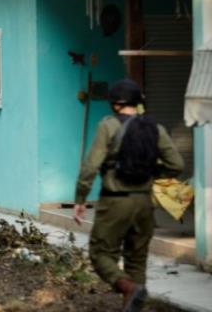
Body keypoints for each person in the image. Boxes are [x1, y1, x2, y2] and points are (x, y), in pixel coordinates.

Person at [73, 79, 183, 312]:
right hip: (144, 203)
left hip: (115, 201)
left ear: (115, 105)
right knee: (137, 259)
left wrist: (81, 199)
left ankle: (127, 287)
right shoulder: (156, 129)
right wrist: (153, 173)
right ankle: (133, 301)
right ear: (138, 103)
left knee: (100, 253)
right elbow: (177, 165)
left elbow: (90, 167)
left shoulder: (108, 126)